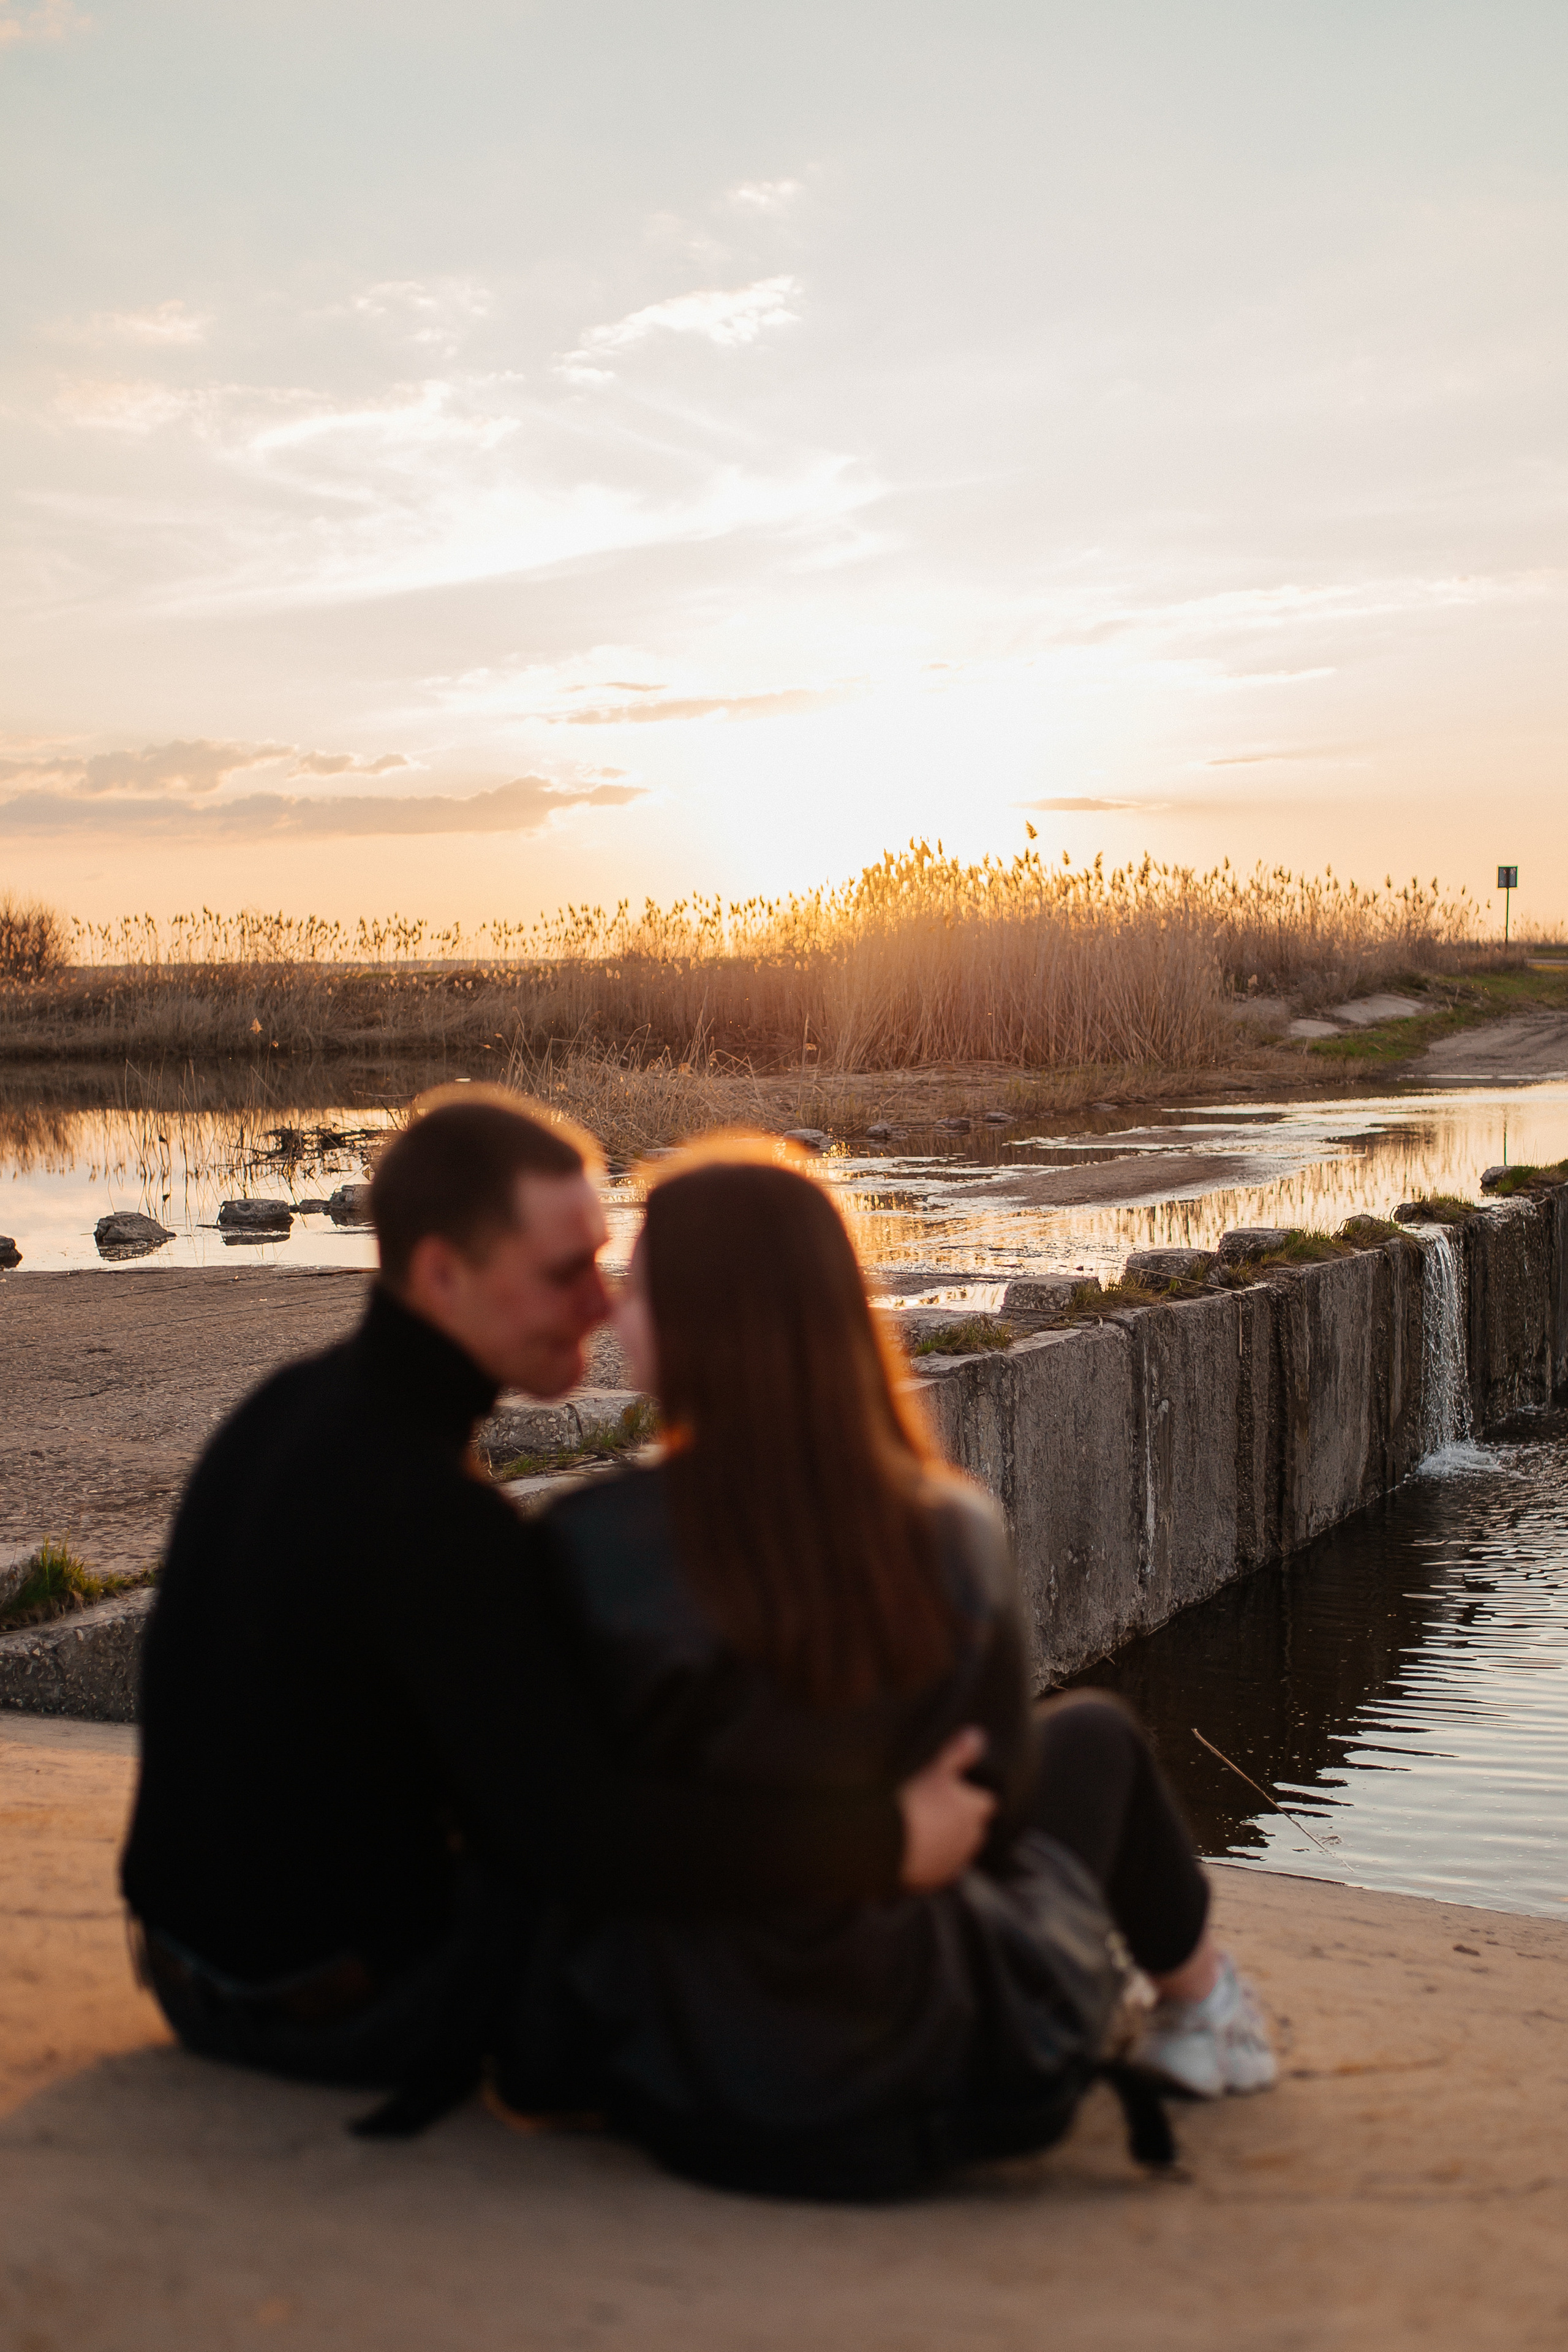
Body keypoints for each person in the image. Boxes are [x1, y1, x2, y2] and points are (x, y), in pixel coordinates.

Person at [121, 1090, 993, 2133]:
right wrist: (883, 1837)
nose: (602, 1304)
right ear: (442, 1274)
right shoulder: (435, 1518)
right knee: (688, 1890)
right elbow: (586, 1841)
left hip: (188, 1968)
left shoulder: (291, 1410)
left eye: (604, 1260)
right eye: (564, 1272)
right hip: (335, 2013)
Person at [524, 1137, 1275, 2196]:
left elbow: (568, 1825)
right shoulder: (946, 1526)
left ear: (697, 1320)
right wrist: (883, 1834)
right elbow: (1000, 1809)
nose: (610, 1312)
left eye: (636, 1288)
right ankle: (1204, 2011)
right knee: (1093, 1738)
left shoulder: (587, 1541)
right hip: (948, 2074)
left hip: (688, 2079)